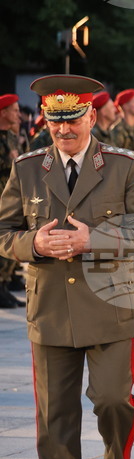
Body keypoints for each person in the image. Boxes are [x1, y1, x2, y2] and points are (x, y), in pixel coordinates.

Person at [0, 74, 134, 459]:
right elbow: (4, 231)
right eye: (54, 122)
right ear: (45, 120)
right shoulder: (27, 168)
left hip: (108, 308)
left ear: (92, 116)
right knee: (54, 421)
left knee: (112, 401)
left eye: (72, 121)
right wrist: (35, 243)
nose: (64, 131)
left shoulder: (125, 165)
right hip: (50, 309)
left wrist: (95, 238)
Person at [0, 94, 27, 307]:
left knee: (11, 237)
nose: (18, 114)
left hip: (10, 196)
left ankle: (5, 283)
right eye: (14, 110)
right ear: (3, 112)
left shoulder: (9, 136)